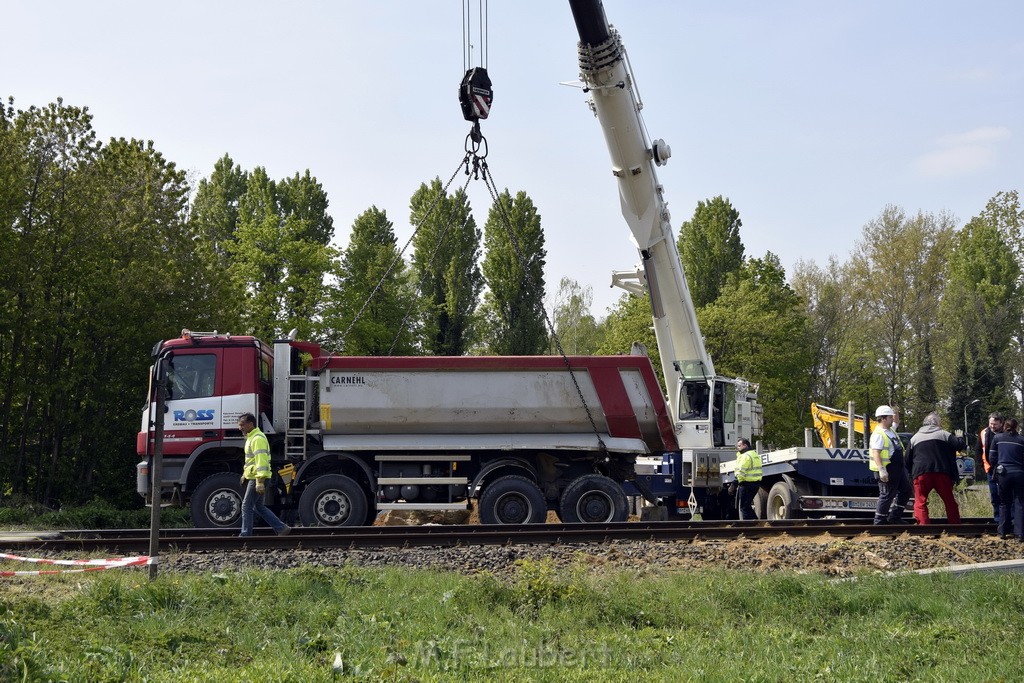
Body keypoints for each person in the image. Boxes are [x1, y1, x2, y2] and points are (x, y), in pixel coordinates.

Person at [238, 412, 291, 537]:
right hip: (255, 477)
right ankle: (282, 528)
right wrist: (245, 474)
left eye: (242, 425)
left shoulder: (257, 439)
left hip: (258, 478)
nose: (240, 428)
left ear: (251, 424)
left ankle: (245, 535)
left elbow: (261, 460)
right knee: (258, 507)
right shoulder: (252, 437)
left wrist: (260, 481)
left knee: (246, 506)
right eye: (239, 425)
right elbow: (252, 460)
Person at [906, 411, 961, 525]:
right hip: (942, 472)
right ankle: (955, 525)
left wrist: (911, 475)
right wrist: (960, 437)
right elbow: (959, 446)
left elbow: (907, 459)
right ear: (937, 423)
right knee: (949, 501)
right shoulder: (944, 434)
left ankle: (924, 527)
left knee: (920, 502)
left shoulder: (914, 438)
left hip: (921, 473)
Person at [869, 405, 912, 525]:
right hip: (888, 469)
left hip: (898, 468)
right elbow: (876, 453)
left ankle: (895, 517)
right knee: (887, 494)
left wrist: (895, 410)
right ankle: (879, 522)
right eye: (890, 417)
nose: (892, 419)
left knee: (906, 490)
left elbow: (897, 420)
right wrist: (881, 470)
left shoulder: (891, 430)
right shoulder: (878, 434)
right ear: (883, 419)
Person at [990, 417, 1024, 540]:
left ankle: (1003, 531)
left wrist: (996, 468)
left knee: (1004, 503)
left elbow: (992, 457)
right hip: (1019, 473)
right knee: (1020, 502)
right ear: (1016, 427)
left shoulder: (997, 438)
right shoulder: (1022, 440)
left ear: (1004, 426)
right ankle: (1020, 533)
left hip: (1003, 473)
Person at [974, 412, 1004, 523]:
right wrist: (982, 465)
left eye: (995, 424)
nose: (992, 426)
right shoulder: (984, 433)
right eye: (991, 423)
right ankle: (997, 520)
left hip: (1005, 470)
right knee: (994, 495)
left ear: (1001, 423)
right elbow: (978, 449)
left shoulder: (1006, 432)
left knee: (1006, 496)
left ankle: (1009, 520)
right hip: (990, 469)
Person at [733, 438, 762, 520]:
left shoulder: (745, 456)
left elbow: (740, 472)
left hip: (746, 484)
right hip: (755, 484)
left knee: (744, 508)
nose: (737, 448)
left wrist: (734, 483)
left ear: (745, 445)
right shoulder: (754, 454)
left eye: (739, 446)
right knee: (747, 506)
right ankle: (755, 523)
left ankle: (749, 527)